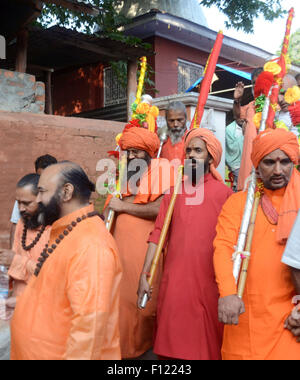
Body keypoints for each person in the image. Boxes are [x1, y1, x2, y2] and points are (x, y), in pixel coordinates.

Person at [10, 162, 122, 360]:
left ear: (66, 192)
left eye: (42, 191)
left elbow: (89, 330)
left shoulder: (91, 245)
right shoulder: (67, 231)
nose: (38, 199)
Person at [138, 128, 233, 360]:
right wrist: (145, 273)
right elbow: (157, 235)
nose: (191, 155)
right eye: (188, 150)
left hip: (208, 284)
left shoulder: (225, 194)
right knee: (170, 349)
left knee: (205, 349)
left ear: (210, 157)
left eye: (198, 151)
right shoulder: (174, 192)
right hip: (174, 285)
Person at [214, 128, 300, 360]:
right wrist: (228, 293)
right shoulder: (238, 203)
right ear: (257, 166)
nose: (278, 170)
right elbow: (223, 248)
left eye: (285, 162)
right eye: (270, 162)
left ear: (294, 162)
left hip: (289, 320)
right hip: (244, 316)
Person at [105, 126, 174, 359]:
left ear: (149, 153)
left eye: (137, 151)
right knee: (118, 310)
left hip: (146, 256)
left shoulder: (162, 169)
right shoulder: (122, 177)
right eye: (128, 151)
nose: (132, 156)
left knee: (143, 309)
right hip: (117, 260)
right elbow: (108, 212)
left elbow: (163, 208)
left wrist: (124, 206)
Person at [0, 174, 51, 309]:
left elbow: (51, 277)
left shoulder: (55, 229)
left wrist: (15, 261)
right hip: (18, 305)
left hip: (43, 307)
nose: (21, 209)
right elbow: (14, 262)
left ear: (42, 200)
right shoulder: (22, 223)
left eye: (27, 203)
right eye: (18, 202)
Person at [9, 155, 57, 248]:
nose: (43, 181)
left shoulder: (60, 203)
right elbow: (15, 225)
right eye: (40, 176)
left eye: (48, 177)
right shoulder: (23, 199)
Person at [233, 68, 263, 191]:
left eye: (259, 82)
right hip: (249, 160)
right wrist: (237, 100)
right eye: (254, 83)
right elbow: (237, 117)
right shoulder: (251, 105)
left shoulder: (275, 105)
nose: (256, 86)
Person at [225, 118, 246, 191]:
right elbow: (232, 149)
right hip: (236, 164)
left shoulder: (251, 125)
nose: (242, 118)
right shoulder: (229, 129)